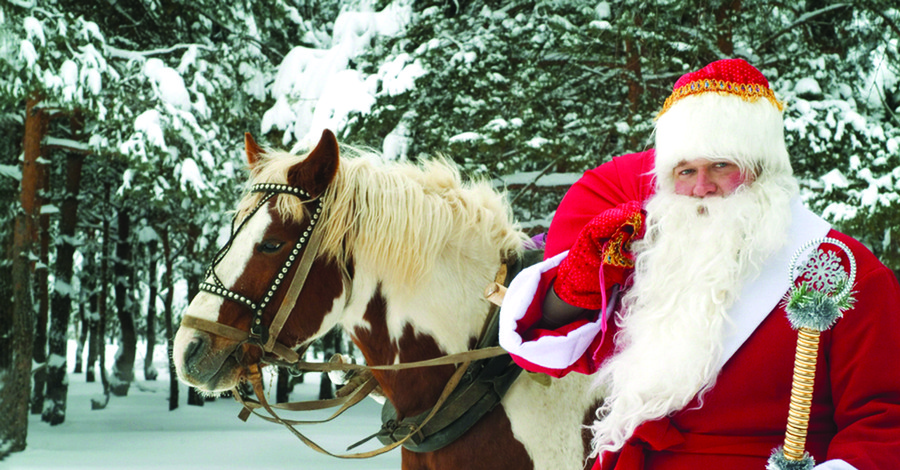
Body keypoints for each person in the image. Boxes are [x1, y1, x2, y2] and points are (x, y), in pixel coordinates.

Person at [498, 59, 900, 469]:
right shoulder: (658, 261)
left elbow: (885, 424)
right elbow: (551, 353)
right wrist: (579, 281)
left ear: (762, 168)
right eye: (686, 171)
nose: (701, 188)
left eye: (720, 166)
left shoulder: (840, 271)